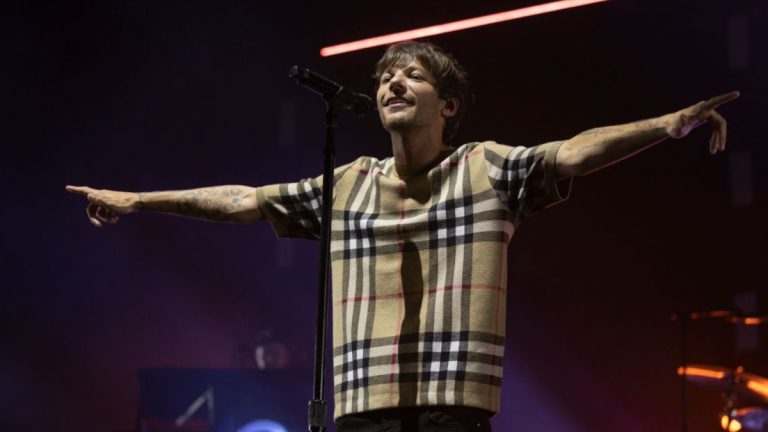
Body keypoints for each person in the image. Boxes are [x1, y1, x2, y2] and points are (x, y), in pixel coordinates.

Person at [66, 41, 739, 431]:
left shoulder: (486, 168)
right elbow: (243, 200)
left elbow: (572, 152)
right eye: (386, 74)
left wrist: (665, 124)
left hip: (453, 414)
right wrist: (139, 200)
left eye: (412, 74)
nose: (393, 80)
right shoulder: (348, 184)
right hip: (363, 413)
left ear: (448, 105)